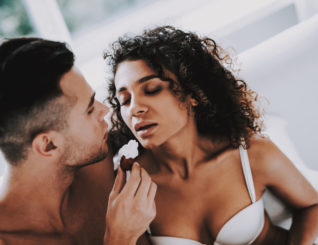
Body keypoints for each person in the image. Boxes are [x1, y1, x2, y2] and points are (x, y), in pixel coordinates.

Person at [104, 26, 318, 245]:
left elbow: (312, 206)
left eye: (152, 89)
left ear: (193, 94)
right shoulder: (132, 190)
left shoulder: (250, 153)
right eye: (125, 100)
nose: (134, 109)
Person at [0, 37, 156, 245]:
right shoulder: (3, 240)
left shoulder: (94, 161)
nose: (104, 110)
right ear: (48, 145)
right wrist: (120, 239)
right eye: (89, 109)